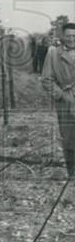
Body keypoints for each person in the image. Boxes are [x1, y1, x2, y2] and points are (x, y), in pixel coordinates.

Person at [41, 22, 75, 178]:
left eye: (74, 36)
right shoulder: (53, 53)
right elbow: (46, 79)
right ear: (63, 36)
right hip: (66, 101)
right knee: (68, 138)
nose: (71, 39)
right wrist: (62, 96)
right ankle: (72, 173)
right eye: (68, 36)